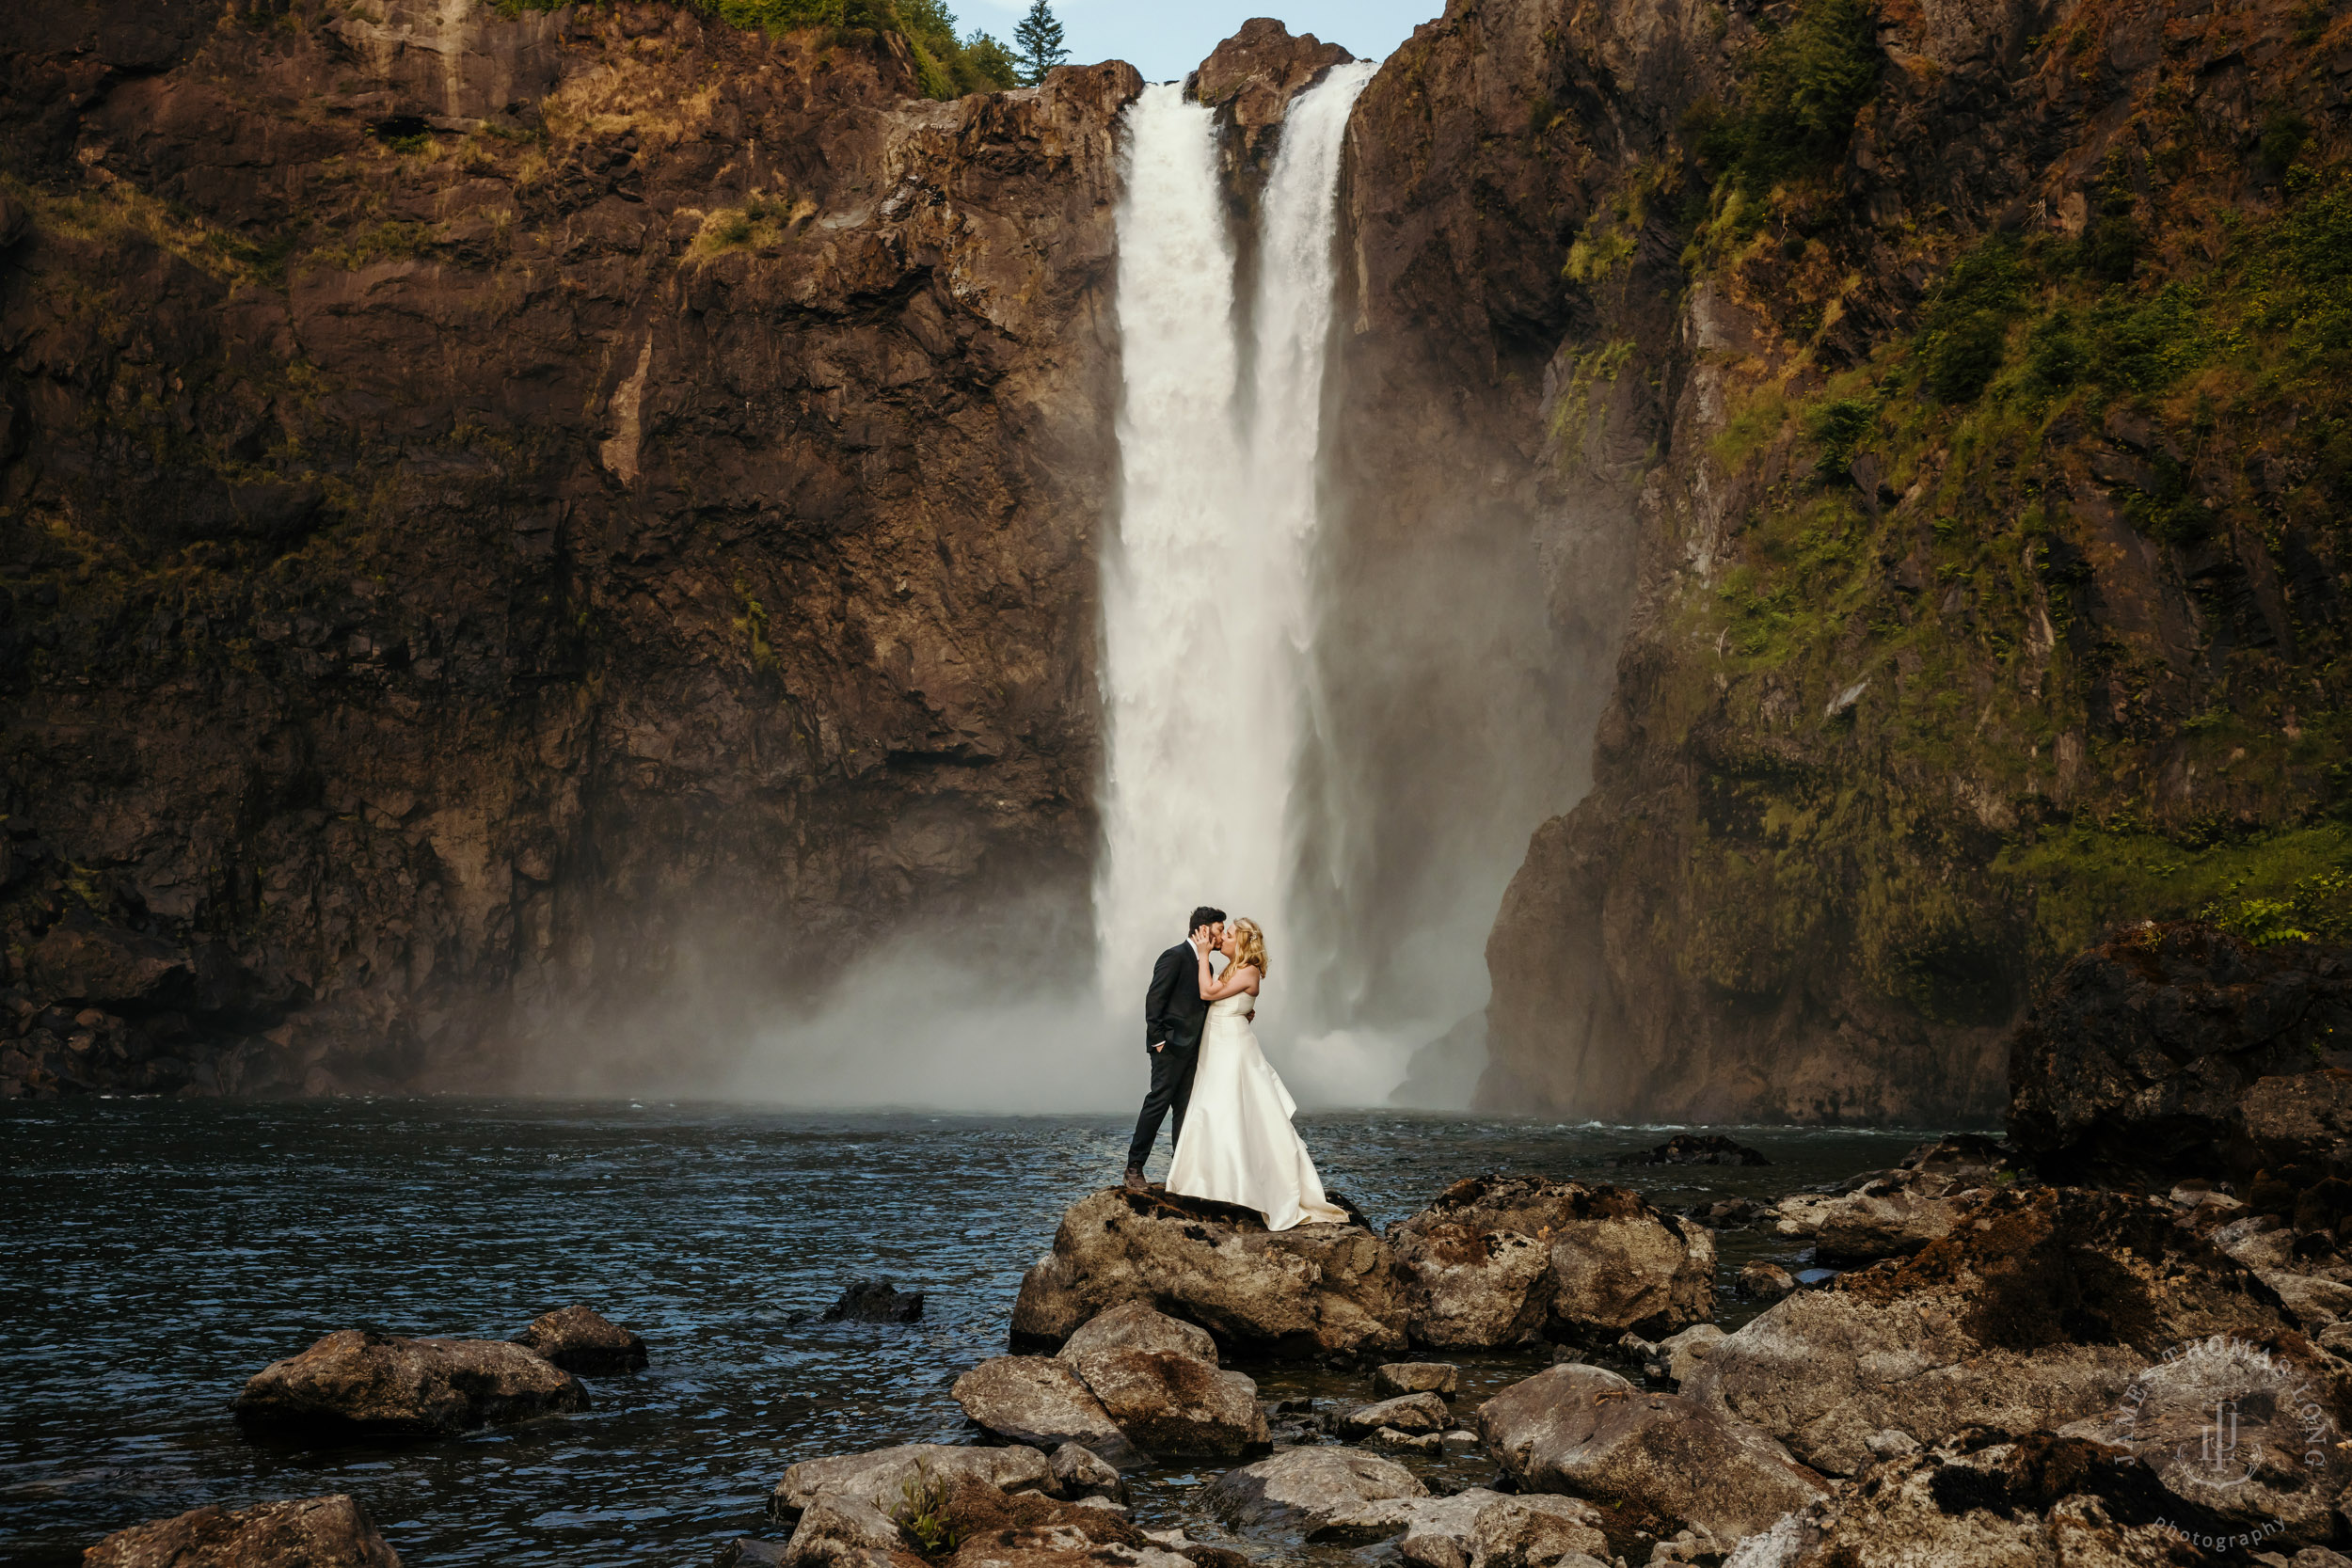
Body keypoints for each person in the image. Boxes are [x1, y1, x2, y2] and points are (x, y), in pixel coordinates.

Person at [1164, 917, 1348, 1231]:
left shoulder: (1247, 970)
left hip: (1232, 1049)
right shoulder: (1234, 969)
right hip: (1219, 1043)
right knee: (1214, 1110)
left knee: (1231, 1110)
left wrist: (1204, 953)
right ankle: (1208, 1182)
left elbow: (1208, 994)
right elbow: (1222, 1002)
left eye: (1230, 934)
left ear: (1244, 943)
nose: (1224, 938)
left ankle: (1247, 1186)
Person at [1123, 905, 1225, 1193]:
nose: (1221, 937)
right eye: (1219, 930)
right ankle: (1133, 1169)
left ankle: (1182, 1174)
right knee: (1157, 1105)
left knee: (1185, 1112)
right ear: (1204, 930)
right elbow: (1154, 999)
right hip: (1168, 1048)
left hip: (1192, 1050)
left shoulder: (1207, 964)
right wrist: (1158, 1041)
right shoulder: (1174, 956)